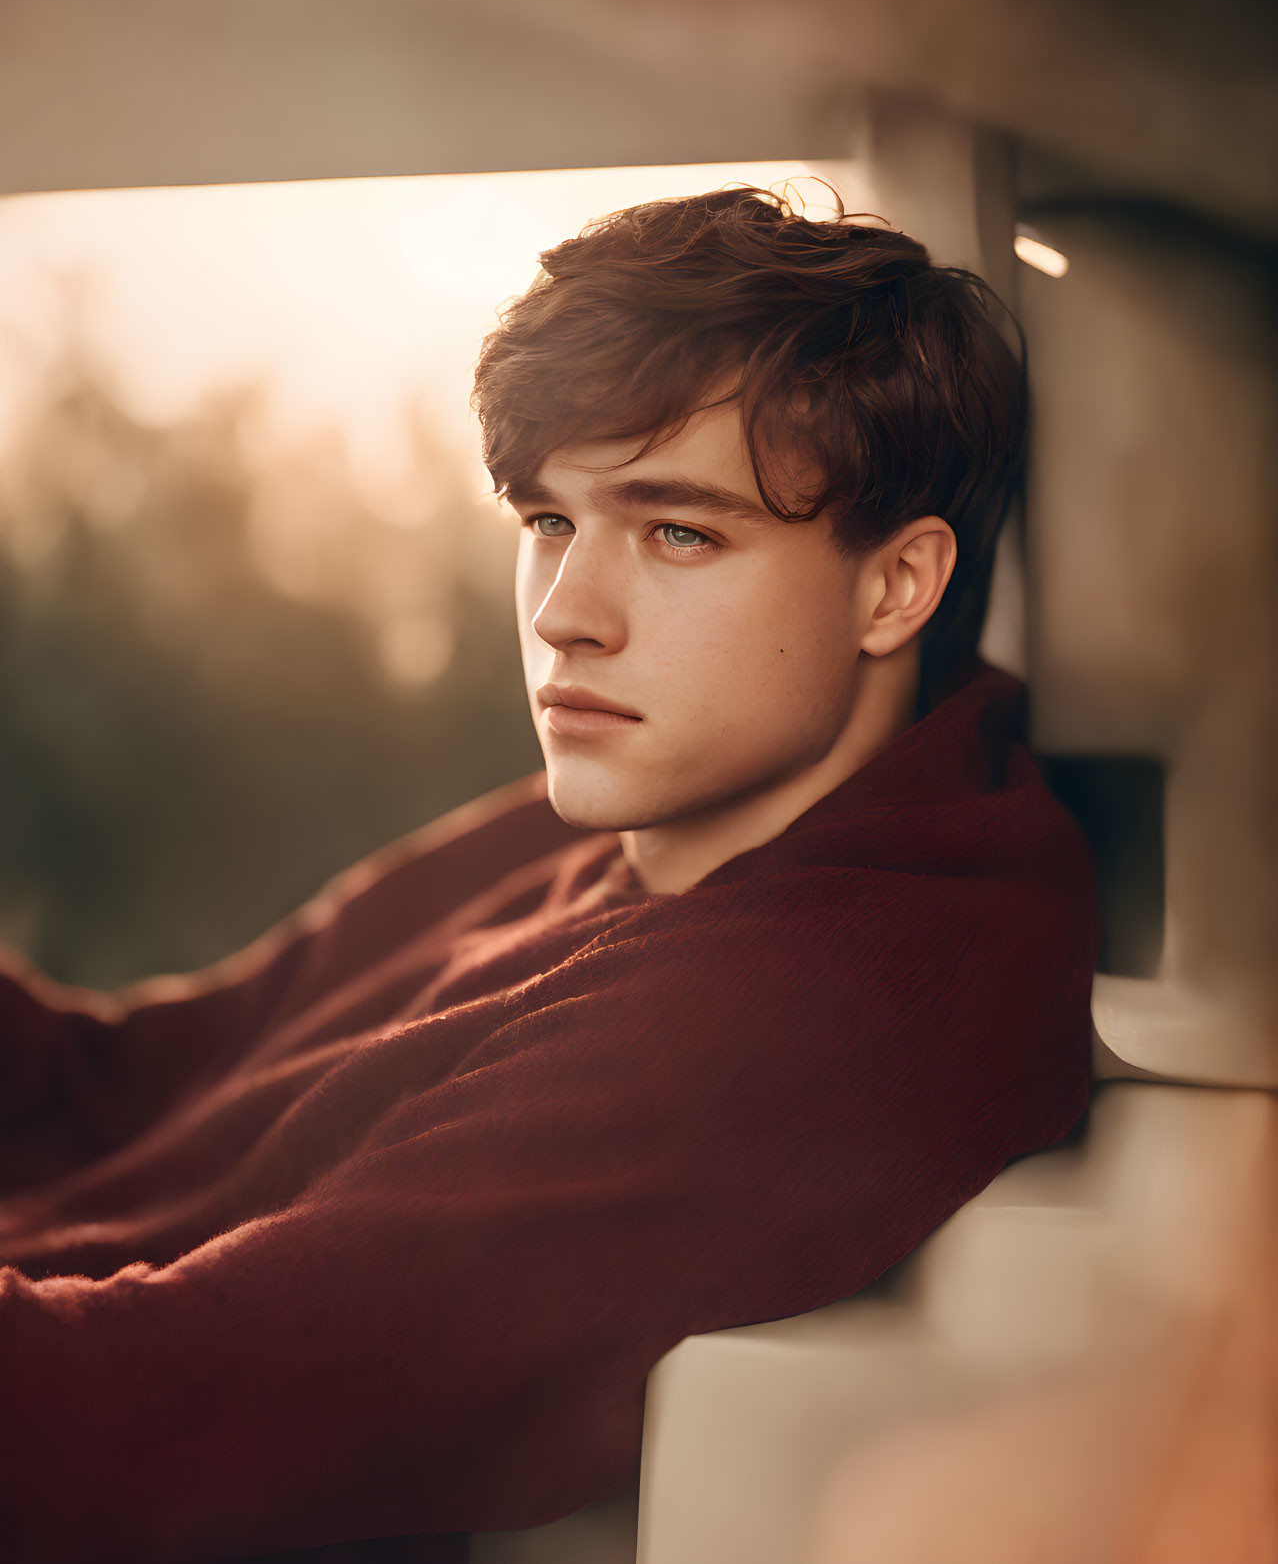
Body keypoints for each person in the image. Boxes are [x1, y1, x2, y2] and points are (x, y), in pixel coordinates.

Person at [0, 187, 1100, 1564]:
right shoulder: (641, 810)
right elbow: (124, 1087)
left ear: (895, 586)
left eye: (677, 532)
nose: (566, 618)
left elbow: (139, 1427)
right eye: (545, 521)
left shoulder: (822, 1023)